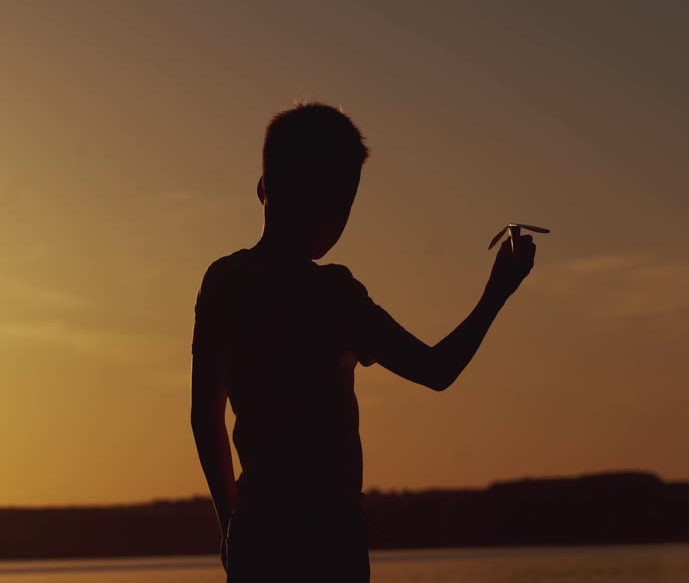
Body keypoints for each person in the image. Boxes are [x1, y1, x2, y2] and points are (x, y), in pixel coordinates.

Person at [190, 103, 536, 582]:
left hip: (257, 534)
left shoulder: (223, 282)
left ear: (262, 189)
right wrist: (497, 292)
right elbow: (437, 370)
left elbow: (205, 415)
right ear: (334, 208)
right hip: (329, 540)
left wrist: (230, 523)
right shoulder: (333, 296)